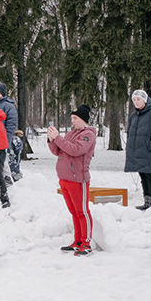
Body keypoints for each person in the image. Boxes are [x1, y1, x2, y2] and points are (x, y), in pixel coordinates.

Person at [48, 105, 96, 256]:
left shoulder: (88, 134)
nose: (73, 121)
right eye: (72, 119)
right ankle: (78, 241)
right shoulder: (70, 134)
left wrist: (58, 138)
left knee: (82, 212)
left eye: (75, 118)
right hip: (65, 178)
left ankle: (86, 242)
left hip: (78, 179)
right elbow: (58, 150)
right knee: (74, 212)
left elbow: (75, 150)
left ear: (83, 120)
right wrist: (51, 140)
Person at [125, 89, 151, 210]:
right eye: (134, 100)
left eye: (138, 99)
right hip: (138, 152)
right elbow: (130, 134)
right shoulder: (133, 116)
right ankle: (147, 201)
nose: (136, 102)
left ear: (145, 100)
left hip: (149, 152)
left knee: (149, 176)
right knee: (142, 175)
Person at [0, 82, 22, 182]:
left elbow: (11, 124)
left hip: (5, 138)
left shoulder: (8, 106)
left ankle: (13, 178)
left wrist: (7, 139)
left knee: (9, 160)